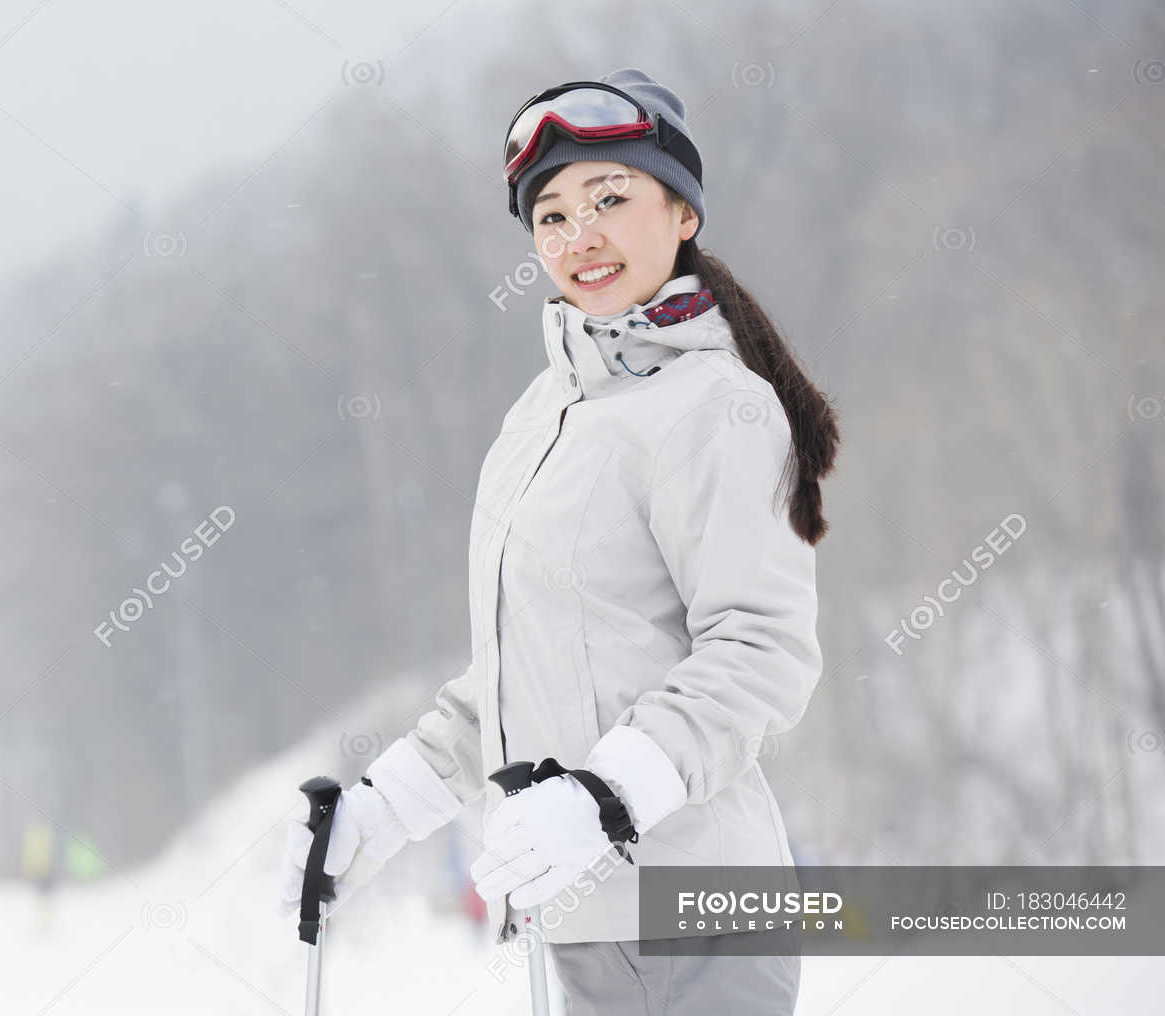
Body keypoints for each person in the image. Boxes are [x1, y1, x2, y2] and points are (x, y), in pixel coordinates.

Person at [276, 68, 840, 1013]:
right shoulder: (543, 417)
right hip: (576, 919)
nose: (581, 235)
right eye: (552, 215)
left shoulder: (718, 407)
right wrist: (378, 812)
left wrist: (604, 797)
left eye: (611, 198)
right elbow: (516, 678)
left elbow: (762, 649)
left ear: (684, 212)